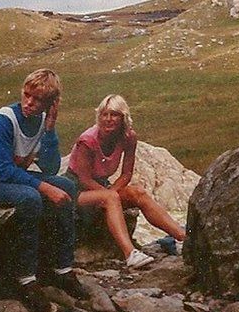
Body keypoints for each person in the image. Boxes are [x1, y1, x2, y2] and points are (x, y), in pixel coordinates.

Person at [0, 69, 85, 312]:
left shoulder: (42, 120)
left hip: (6, 177)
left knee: (66, 186)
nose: (29, 103)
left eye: (38, 100)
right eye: (27, 95)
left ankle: (63, 269)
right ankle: (25, 279)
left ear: (50, 103)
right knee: (30, 198)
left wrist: (50, 128)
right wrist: (44, 187)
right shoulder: (2, 121)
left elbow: (50, 166)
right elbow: (3, 170)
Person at [65, 94, 187, 269]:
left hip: (101, 187)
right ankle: (130, 254)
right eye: (104, 114)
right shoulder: (88, 140)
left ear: (123, 117)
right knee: (111, 198)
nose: (108, 119)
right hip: (77, 190)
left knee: (138, 192)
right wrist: (109, 195)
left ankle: (183, 238)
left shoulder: (128, 137)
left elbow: (126, 173)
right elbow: (84, 179)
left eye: (114, 114)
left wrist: (111, 191)